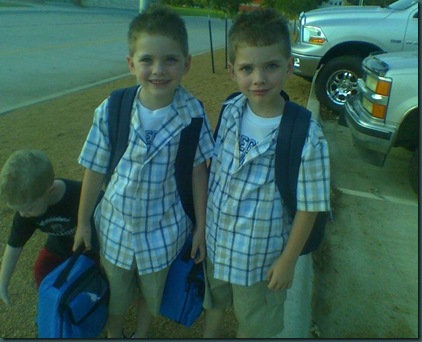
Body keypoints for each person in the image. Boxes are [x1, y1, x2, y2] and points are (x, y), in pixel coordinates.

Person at [72, 5, 214, 338]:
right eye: (147, 60)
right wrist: (82, 222)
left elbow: (198, 173)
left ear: (186, 63)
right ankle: (115, 332)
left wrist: (201, 229)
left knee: (153, 295)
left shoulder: (192, 114)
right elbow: (94, 168)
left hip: (165, 231)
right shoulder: (114, 108)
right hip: (116, 227)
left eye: (170, 59)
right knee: (116, 294)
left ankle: (142, 333)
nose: (158, 70)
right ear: (131, 63)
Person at [203, 9, 331, 338]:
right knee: (215, 304)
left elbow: (311, 205)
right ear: (232, 71)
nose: (259, 78)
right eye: (247, 68)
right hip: (217, 247)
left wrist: (288, 261)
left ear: (289, 66)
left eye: (271, 66)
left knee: (254, 324)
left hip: (261, 260)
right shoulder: (230, 110)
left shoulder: (306, 134)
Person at [0, 149, 99, 306]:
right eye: (19, 210)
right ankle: (55, 308)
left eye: (28, 209)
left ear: (50, 191)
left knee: (94, 279)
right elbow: (14, 245)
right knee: (42, 270)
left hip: (91, 248)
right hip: (59, 246)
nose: (23, 215)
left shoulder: (82, 196)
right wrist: (2, 283)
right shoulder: (28, 206)